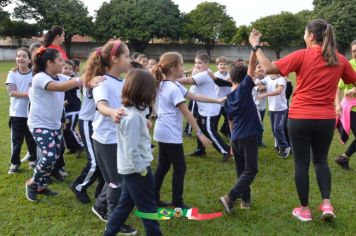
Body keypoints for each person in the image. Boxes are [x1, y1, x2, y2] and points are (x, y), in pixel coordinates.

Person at [249, 19, 356, 222]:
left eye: (305, 34)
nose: (303, 37)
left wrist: (256, 46)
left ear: (311, 36)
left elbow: (269, 68)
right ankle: (326, 204)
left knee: (301, 163)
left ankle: (304, 209)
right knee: (321, 161)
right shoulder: (340, 59)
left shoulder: (301, 55)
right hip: (325, 120)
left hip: (299, 117)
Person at [152, 52, 224, 208]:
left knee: (163, 165)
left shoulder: (168, 84)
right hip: (169, 133)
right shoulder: (172, 88)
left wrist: (216, 100)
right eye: (182, 65)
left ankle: (153, 198)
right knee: (180, 167)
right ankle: (177, 202)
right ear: (172, 68)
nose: (184, 68)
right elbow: (187, 113)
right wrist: (200, 134)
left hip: (161, 131)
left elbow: (194, 95)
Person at [24, 47, 93, 201]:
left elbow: (74, 83)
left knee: (55, 156)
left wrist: (90, 78)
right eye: (60, 60)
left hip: (54, 124)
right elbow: (58, 87)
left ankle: (41, 186)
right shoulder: (40, 77)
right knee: (48, 156)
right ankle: (32, 183)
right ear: (49, 62)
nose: (63, 63)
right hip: (39, 124)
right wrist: (78, 80)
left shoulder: (59, 76)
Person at [83, 40, 136, 235]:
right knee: (117, 181)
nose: (130, 59)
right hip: (106, 140)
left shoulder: (121, 82)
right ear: (114, 58)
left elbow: (127, 106)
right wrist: (111, 112)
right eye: (127, 56)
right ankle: (114, 219)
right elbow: (102, 105)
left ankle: (99, 205)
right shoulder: (101, 82)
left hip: (118, 138)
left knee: (114, 178)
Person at [104, 69, 162, 236]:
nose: (154, 94)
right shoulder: (132, 118)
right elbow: (132, 150)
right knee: (148, 210)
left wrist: (144, 122)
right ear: (144, 92)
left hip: (131, 170)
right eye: (153, 90)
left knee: (124, 206)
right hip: (137, 171)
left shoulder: (132, 112)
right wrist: (143, 170)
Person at [219, 50, 261, 212]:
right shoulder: (244, 89)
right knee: (251, 169)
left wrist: (231, 142)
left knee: (241, 169)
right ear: (246, 79)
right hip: (248, 136)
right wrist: (254, 47)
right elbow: (251, 66)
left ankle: (245, 200)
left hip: (236, 137)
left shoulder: (228, 99)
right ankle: (230, 197)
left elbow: (230, 123)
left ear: (230, 78)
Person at [178, 52, 231, 162]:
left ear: (207, 63)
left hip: (209, 109)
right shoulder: (206, 72)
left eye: (200, 63)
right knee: (200, 129)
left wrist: (170, 79)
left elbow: (188, 81)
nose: (197, 65)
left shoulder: (204, 74)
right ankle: (200, 150)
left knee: (209, 131)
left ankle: (226, 150)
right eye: (196, 63)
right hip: (205, 107)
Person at [6, 47, 37, 174]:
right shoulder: (12, 73)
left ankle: (33, 161)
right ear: (16, 59)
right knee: (16, 140)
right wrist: (29, 94)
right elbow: (12, 92)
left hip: (32, 113)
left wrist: (32, 93)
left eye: (24, 56)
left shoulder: (35, 74)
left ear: (30, 59)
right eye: (18, 56)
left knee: (32, 139)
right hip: (17, 113)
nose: (21, 58)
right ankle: (15, 164)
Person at [255, 74, 290, 158]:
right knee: (274, 130)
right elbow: (258, 83)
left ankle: (285, 147)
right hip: (271, 109)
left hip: (281, 109)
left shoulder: (281, 79)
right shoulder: (267, 78)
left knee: (277, 128)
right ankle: (280, 146)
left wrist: (265, 94)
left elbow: (278, 91)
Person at [335, 40, 356, 170]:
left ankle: (343, 158)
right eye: (354, 51)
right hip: (351, 109)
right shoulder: (349, 64)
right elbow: (338, 87)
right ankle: (343, 158)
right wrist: (337, 104)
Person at [62, 60, 84, 156]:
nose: (67, 70)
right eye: (65, 68)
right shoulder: (59, 79)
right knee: (64, 130)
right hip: (64, 110)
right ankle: (72, 147)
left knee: (70, 129)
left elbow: (79, 85)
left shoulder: (73, 80)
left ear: (73, 71)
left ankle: (80, 145)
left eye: (70, 69)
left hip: (74, 109)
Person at [214, 56, 231, 137]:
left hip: (227, 101)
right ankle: (214, 134)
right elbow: (221, 83)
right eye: (221, 64)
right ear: (217, 66)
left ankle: (224, 130)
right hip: (218, 101)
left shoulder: (229, 74)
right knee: (216, 119)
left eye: (224, 64)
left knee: (229, 118)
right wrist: (230, 78)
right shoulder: (215, 75)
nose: (223, 66)